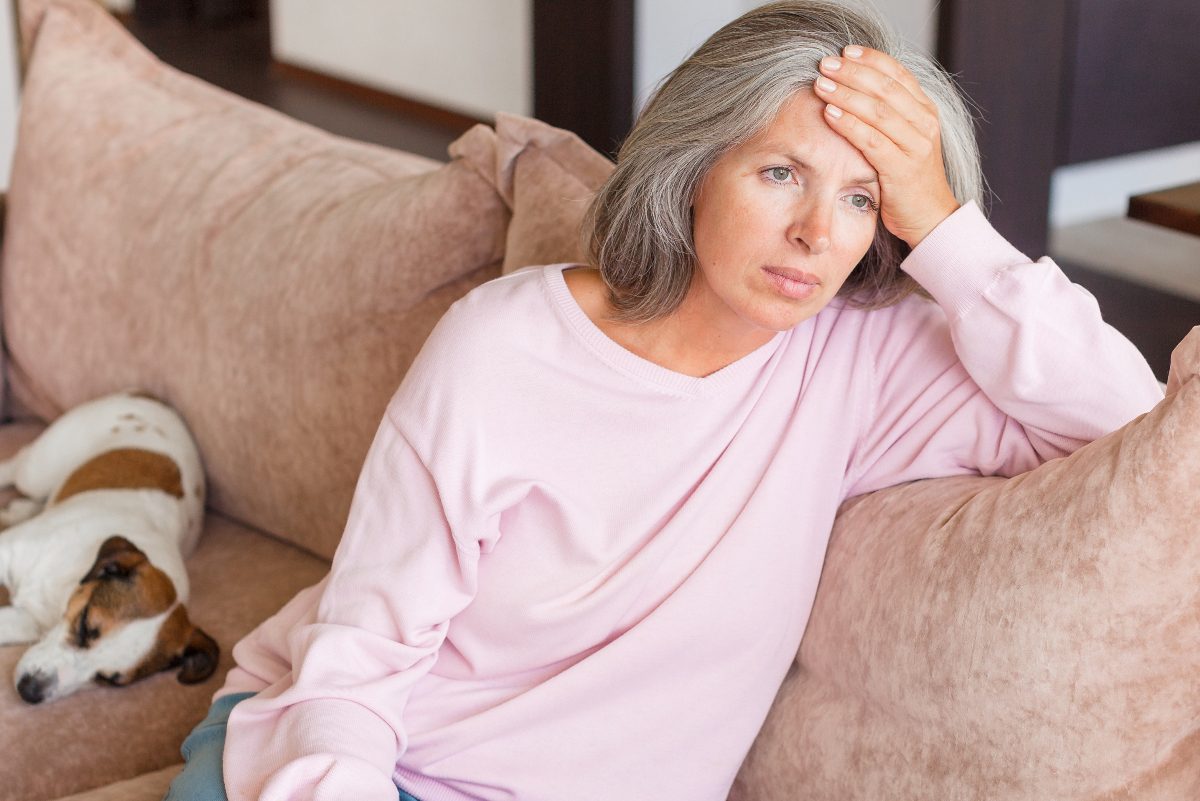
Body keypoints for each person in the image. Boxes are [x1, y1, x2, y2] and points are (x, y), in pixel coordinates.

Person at [165, 2, 1164, 800]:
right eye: (781, 173)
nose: (818, 233)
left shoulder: (860, 364)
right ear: (694, 172)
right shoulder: (504, 347)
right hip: (349, 762)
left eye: (863, 197)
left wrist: (948, 224)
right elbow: (362, 652)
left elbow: (1144, 431)